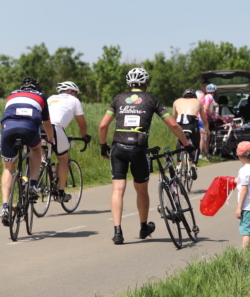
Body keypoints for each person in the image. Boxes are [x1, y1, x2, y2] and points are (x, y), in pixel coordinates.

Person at [99, 68, 193, 245]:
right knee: (141, 190)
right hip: (138, 148)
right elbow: (172, 123)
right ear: (145, 84)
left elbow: (103, 125)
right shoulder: (151, 100)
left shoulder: (118, 99)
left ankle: (118, 232)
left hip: (118, 148)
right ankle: (143, 227)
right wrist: (186, 144)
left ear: (129, 84)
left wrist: (103, 146)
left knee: (118, 190)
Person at [1, 78, 55, 226]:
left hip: (7, 128)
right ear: (37, 89)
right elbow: (47, 123)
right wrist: (51, 139)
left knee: (8, 168)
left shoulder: (11, 95)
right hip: (29, 128)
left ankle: (5, 206)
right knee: (36, 148)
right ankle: (32, 185)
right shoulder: (41, 97)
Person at [47, 81, 91, 203]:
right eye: (76, 93)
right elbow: (82, 124)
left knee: (41, 154)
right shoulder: (73, 100)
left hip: (38, 127)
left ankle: (37, 182)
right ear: (71, 91)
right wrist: (84, 137)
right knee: (63, 158)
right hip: (55, 127)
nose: (77, 96)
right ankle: (61, 192)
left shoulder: (50, 98)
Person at [172, 88, 209, 178]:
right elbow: (204, 120)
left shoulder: (176, 101)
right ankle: (194, 165)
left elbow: (173, 118)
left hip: (180, 125)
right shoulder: (198, 102)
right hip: (192, 125)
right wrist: (207, 130)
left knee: (180, 142)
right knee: (196, 146)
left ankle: (179, 163)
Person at [234, 141, 250, 249]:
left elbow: (244, 189)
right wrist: (235, 180)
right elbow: (247, 181)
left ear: (240, 156)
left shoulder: (244, 170)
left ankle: (245, 254)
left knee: (246, 232)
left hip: (247, 206)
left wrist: (239, 208)